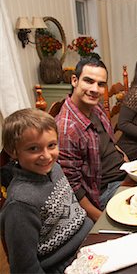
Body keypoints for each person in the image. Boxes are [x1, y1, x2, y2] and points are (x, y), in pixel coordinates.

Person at [0, 108, 93, 273]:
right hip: (66, 265)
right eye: (33, 149)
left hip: (89, 244)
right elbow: (25, 267)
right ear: (13, 152)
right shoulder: (20, 204)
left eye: (51, 145)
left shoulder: (55, 168)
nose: (47, 156)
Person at [56, 57, 127, 222]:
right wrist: (101, 219)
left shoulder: (95, 107)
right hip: (106, 191)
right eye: (89, 81)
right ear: (75, 80)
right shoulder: (67, 129)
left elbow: (109, 142)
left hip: (124, 173)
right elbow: (73, 188)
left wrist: (126, 160)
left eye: (101, 84)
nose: (95, 89)